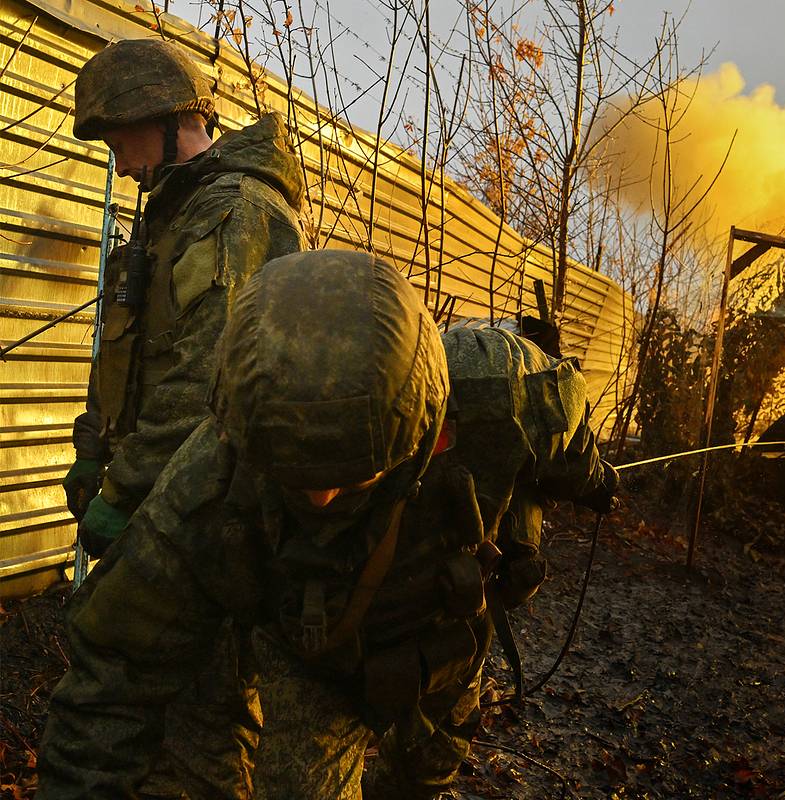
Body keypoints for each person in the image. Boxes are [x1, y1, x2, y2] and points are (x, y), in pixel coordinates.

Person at [38, 250, 618, 799]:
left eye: (352, 476)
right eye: (292, 477)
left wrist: (595, 485)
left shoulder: (501, 392)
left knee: (426, 772)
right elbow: (108, 687)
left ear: (429, 435)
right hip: (316, 651)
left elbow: (573, 446)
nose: (320, 499)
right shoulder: (211, 483)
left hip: (447, 631)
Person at [60, 37, 304, 556]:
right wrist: (93, 445)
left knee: (101, 636)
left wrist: (123, 487)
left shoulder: (233, 212)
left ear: (160, 121)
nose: (120, 167)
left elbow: (205, 376)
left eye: (119, 146)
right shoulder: (172, 214)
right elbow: (128, 345)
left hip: (207, 506)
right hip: (161, 486)